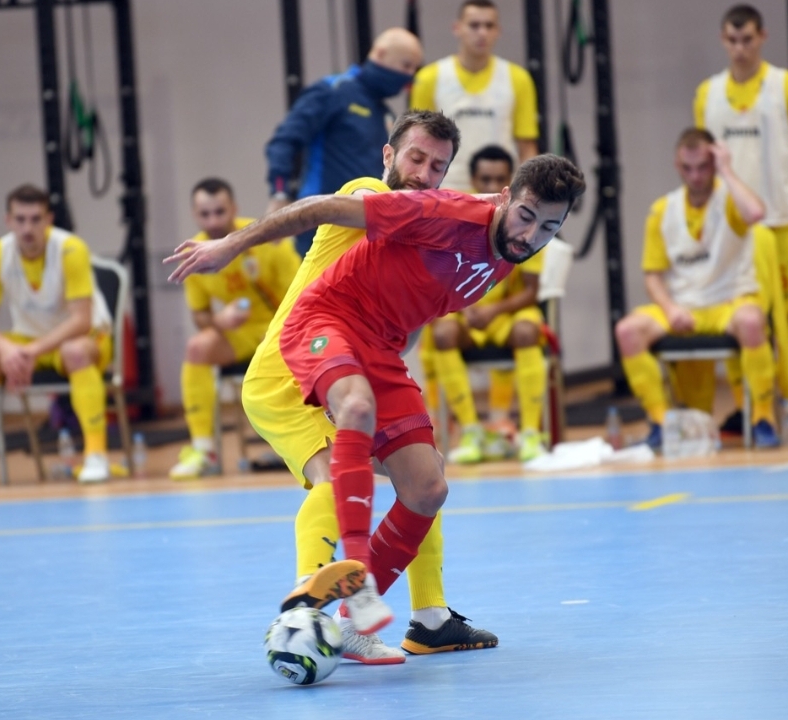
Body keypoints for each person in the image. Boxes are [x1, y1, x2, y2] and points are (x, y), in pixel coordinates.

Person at [166, 149, 585, 659]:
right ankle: (346, 591)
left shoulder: (509, 252)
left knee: (427, 485)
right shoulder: (432, 209)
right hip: (325, 321)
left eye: (548, 227)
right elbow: (317, 208)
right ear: (504, 199)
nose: (530, 236)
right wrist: (231, 243)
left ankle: (366, 622)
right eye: (525, 217)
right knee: (356, 412)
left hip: (377, 348)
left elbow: (418, 299)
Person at [694, 3, 788, 441]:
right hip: (731, 227)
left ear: (762, 37)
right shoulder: (707, 94)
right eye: (732, 40)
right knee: (737, 312)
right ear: (721, 40)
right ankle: (749, 405)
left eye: (747, 39)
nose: (739, 48)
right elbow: (701, 166)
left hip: (779, 220)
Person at [615, 128, 780, 449]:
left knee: (751, 321)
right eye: (688, 168)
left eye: (703, 167)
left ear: (714, 163)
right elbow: (653, 275)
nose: (696, 176)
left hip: (729, 301)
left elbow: (756, 213)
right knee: (627, 330)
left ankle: (762, 416)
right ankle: (661, 421)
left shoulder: (729, 200)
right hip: (684, 305)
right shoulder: (662, 211)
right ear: (677, 165)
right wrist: (670, 309)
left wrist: (728, 171)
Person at [0, 185, 115, 485]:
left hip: (84, 338)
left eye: (35, 219)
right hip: (27, 342)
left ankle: (96, 455)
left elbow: (81, 320)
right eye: (20, 219)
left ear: (49, 219)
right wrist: (7, 349)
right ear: (8, 220)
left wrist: (31, 352)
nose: (27, 227)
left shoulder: (71, 249)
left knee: (75, 351)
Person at [169, 178, 300, 479]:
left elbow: (305, 291)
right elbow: (200, 316)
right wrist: (219, 321)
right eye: (205, 214)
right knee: (197, 347)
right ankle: (203, 450)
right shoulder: (195, 252)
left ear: (235, 209)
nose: (213, 221)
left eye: (220, 212)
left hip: (289, 329)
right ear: (194, 215)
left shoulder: (267, 238)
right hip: (244, 336)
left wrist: (282, 328)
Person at [430, 145, 550, 463]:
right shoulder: (454, 218)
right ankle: (471, 431)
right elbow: (439, 280)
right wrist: (464, 307)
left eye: (499, 179)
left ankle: (529, 433)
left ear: (510, 183)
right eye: (485, 179)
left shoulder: (530, 221)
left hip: (507, 313)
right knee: (442, 335)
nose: (491, 186)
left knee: (528, 331)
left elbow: (531, 292)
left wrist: (493, 310)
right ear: (472, 179)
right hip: (463, 310)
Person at [265, 27, 423, 257]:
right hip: (321, 223)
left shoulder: (386, 114)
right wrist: (279, 194)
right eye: (406, 66)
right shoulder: (333, 91)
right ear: (380, 54)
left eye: (413, 69)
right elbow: (284, 141)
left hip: (366, 226)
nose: (409, 76)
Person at [409, 0, 539, 192]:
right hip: (446, 190)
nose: (482, 33)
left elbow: (526, 146)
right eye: (474, 25)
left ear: (498, 31)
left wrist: (527, 192)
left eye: (489, 25)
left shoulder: (518, 79)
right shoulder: (428, 79)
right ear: (457, 28)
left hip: (500, 192)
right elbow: (417, 144)